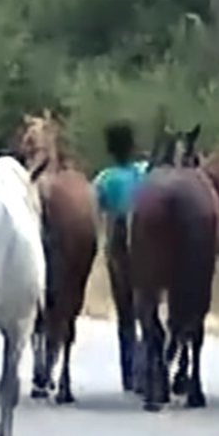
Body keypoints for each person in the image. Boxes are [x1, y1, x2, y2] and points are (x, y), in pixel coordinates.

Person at [91, 121, 149, 392]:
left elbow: (95, 212)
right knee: (149, 307)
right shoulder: (145, 172)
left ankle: (129, 372)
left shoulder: (104, 179)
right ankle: (151, 363)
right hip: (149, 242)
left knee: (125, 311)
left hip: (118, 247)